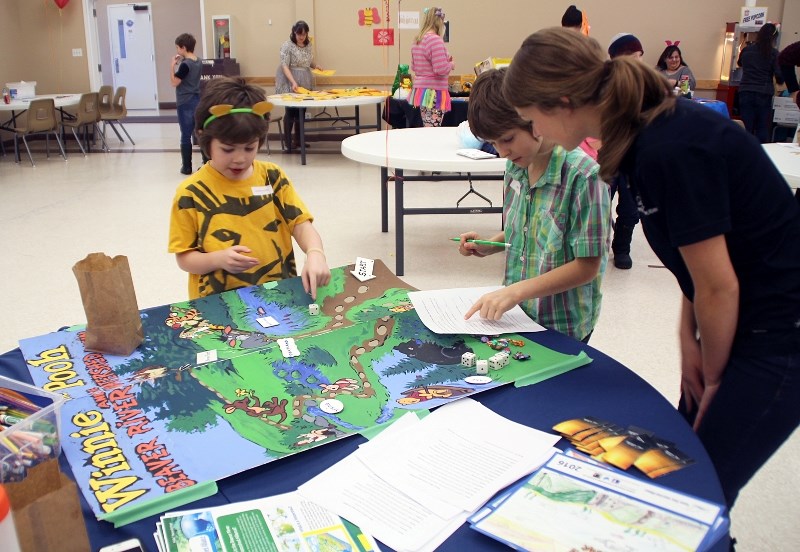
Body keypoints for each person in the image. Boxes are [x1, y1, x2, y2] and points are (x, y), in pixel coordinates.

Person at [503, 27, 800, 512]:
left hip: (778, 333)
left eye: (533, 120)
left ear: (562, 101)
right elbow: (697, 264)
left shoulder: (670, 146)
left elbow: (719, 284)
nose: (537, 133)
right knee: (674, 468)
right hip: (736, 318)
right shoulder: (636, 138)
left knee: (698, 495)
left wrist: (718, 373)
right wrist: (689, 339)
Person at [457, 68, 610, 343]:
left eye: (507, 139)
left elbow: (587, 265)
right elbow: (528, 227)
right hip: (521, 315)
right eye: (493, 143)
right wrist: (490, 244)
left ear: (534, 121)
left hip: (563, 324)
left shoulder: (584, 176)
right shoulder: (515, 165)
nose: (502, 151)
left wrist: (515, 291)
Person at [168, 77, 331, 300]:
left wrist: (315, 253)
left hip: (278, 294)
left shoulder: (272, 177)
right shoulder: (191, 193)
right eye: (227, 149)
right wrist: (217, 259)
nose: (239, 159)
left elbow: (301, 225)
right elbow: (184, 258)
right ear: (204, 139)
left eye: (249, 147)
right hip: (220, 303)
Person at [606, 33, 645, 269]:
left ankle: (622, 247)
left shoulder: (645, 86)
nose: (638, 61)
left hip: (634, 158)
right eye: (633, 56)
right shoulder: (605, 86)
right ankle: (596, 247)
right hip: (609, 156)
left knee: (630, 208)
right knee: (601, 204)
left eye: (640, 56)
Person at [275, 20, 323, 152]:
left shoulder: (308, 45)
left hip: (305, 79)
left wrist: (316, 65)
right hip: (290, 78)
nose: (301, 37)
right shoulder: (287, 45)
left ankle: (299, 140)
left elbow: (308, 61)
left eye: (304, 34)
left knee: (301, 112)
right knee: (291, 111)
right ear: (294, 33)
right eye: (299, 34)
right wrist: (293, 82)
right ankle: (288, 143)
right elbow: (284, 65)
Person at [737, 23, 783, 143]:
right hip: (764, 92)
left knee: (746, 126)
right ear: (773, 38)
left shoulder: (746, 50)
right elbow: (779, 76)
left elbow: (739, 63)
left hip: (745, 91)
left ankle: (744, 154)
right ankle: (761, 155)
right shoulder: (773, 53)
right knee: (762, 127)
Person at [409, 7, 454, 127]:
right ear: (439, 22)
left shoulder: (417, 40)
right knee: (434, 127)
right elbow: (440, 69)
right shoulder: (435, 40)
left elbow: (414, 66)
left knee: (428, 125)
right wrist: (450, 64)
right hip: (434, 91)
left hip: (422, 91)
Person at [170, 33, 203, 175]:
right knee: (200, 132)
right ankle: (206, 162)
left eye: (178, 48)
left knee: (185, 134)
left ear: (183, 47)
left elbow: (174, 82)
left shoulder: (185, 65)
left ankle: (187, 166)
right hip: (197, 98)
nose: (177, 51)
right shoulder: (198, 61)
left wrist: (172, 66)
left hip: (184, 101)